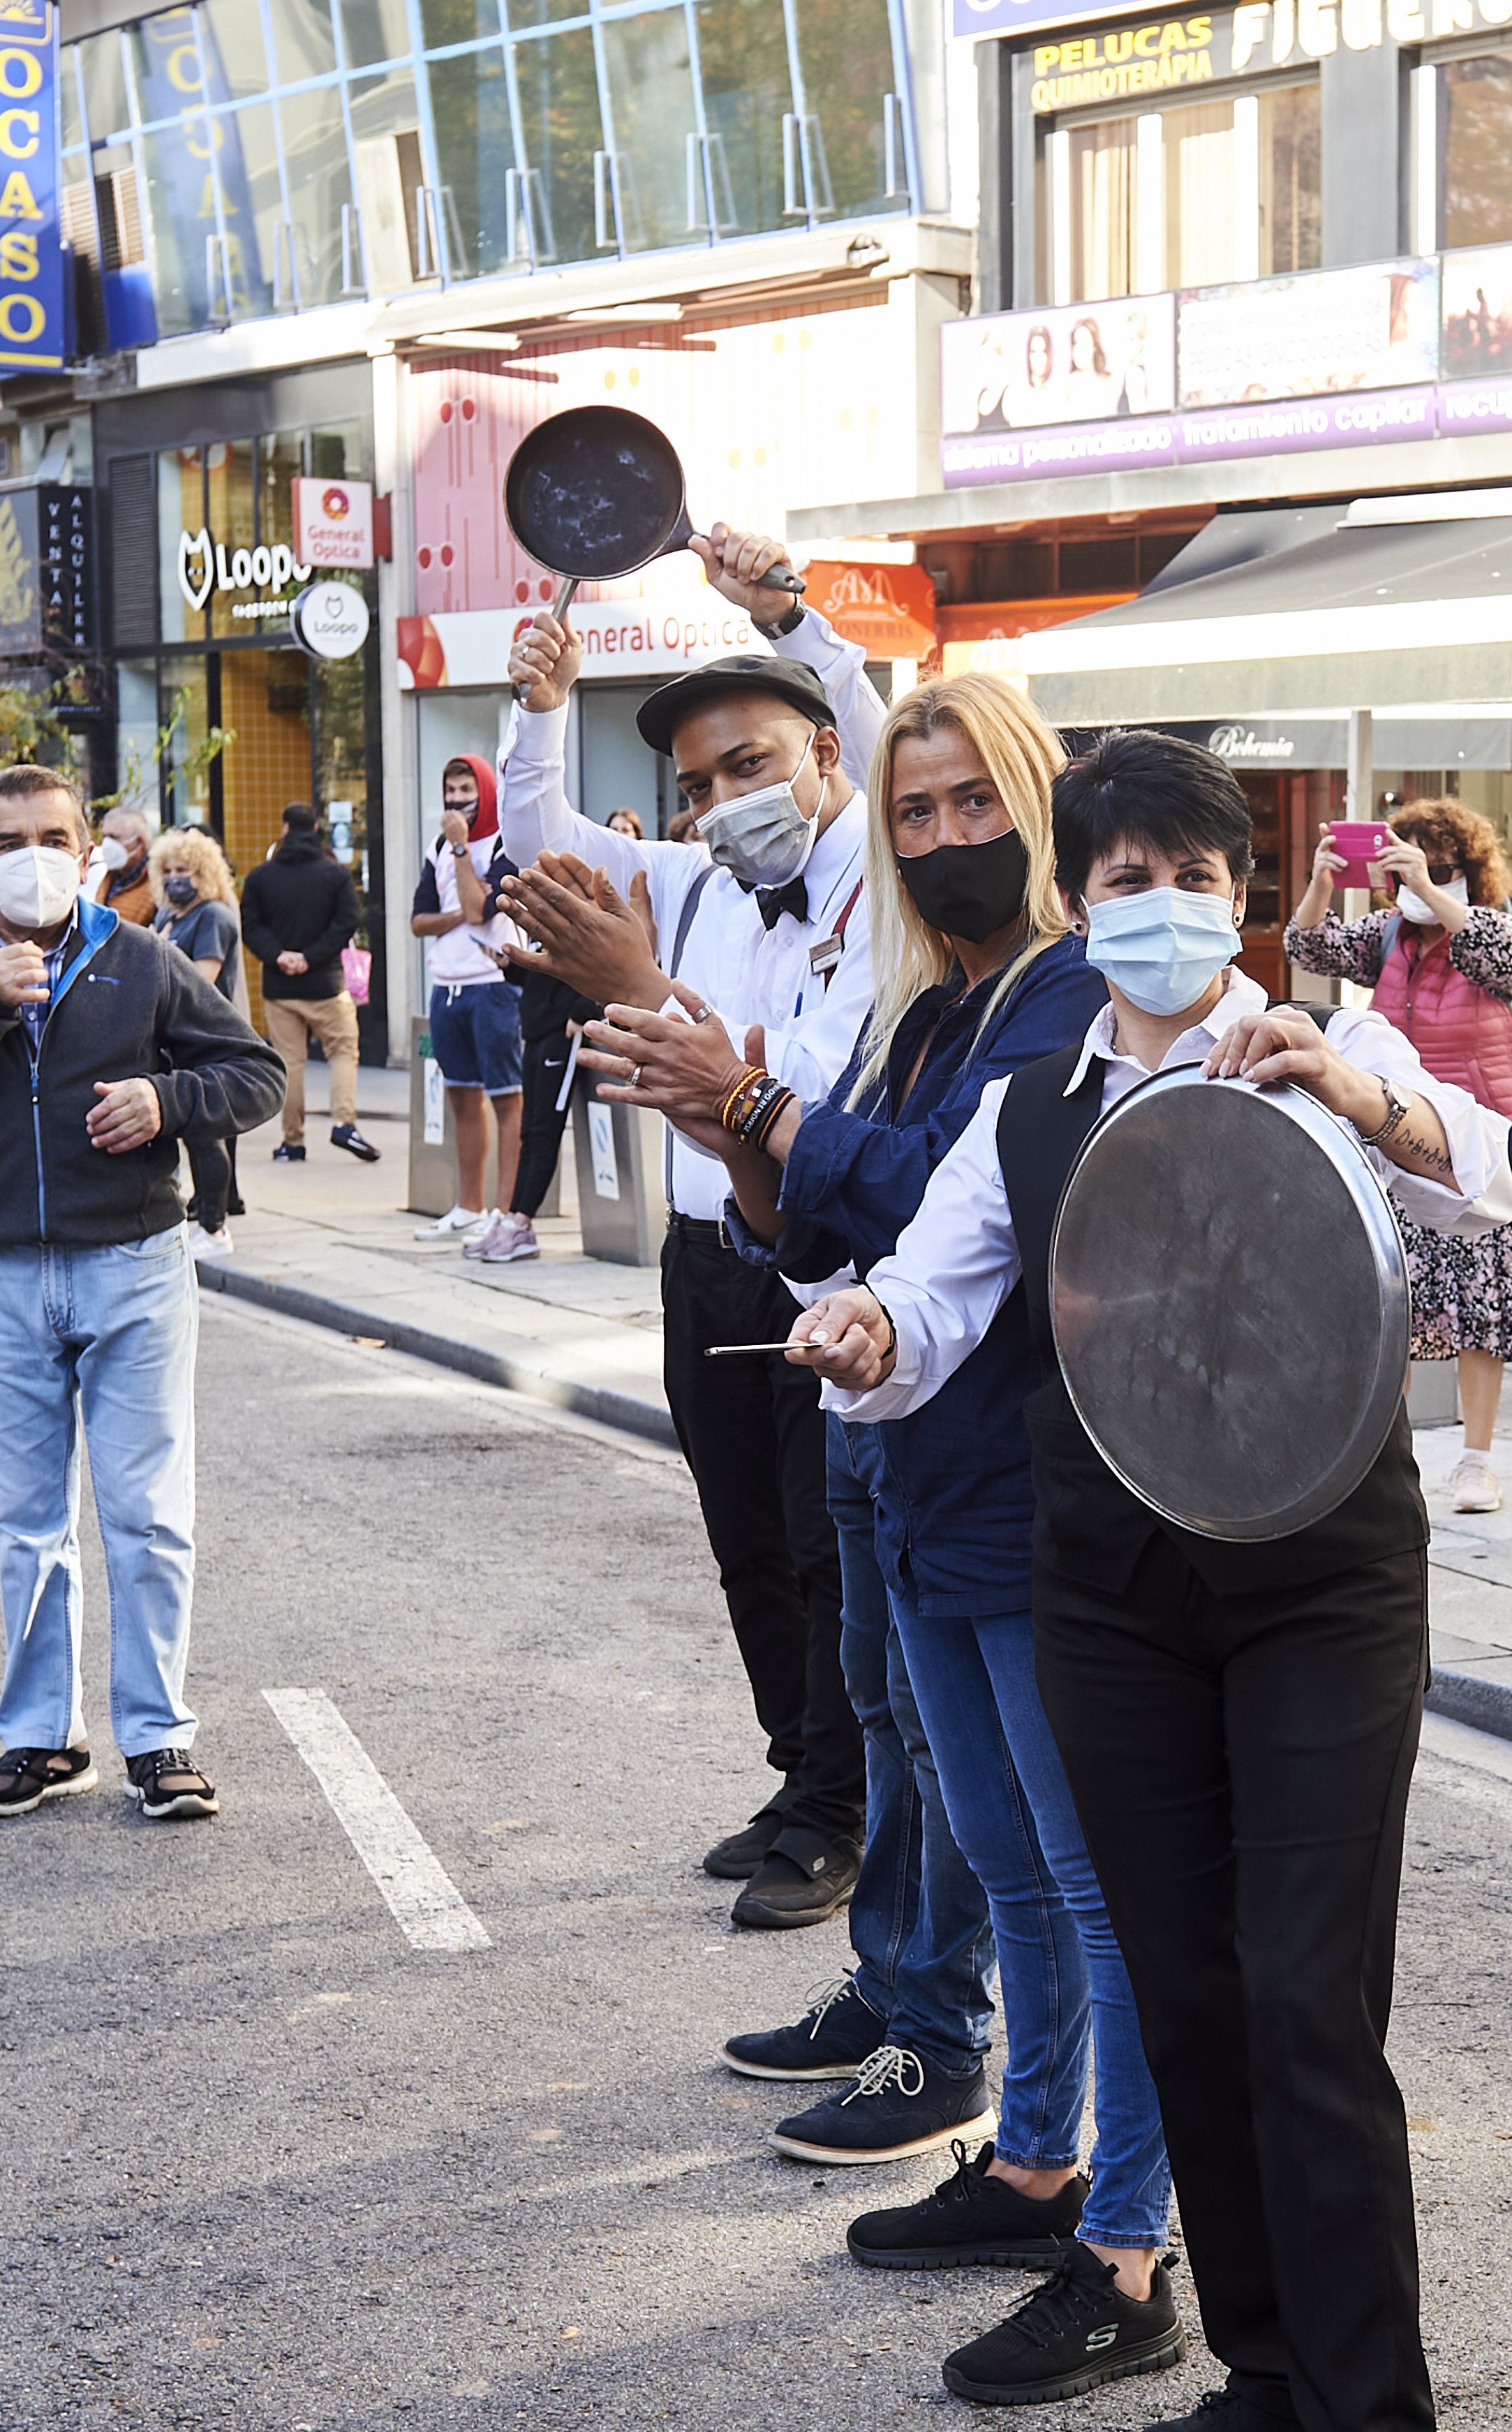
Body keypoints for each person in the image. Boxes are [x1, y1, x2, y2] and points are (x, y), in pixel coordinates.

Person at [784, 731, 1512, 2432]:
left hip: (1318, 1576)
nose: (1166, 908)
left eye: (1197, 879)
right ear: (1080, 899)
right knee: (1184, 1989)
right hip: (1110, 1588)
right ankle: (1266, 2372)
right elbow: (931, 1296)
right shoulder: (1028, 1107)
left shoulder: (1339, 1042)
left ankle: (1365, 2397)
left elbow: (1488, 1189)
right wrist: (864, 1330)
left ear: (1243, 895)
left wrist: (1361, 1091)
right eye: (1130, 881)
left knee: (1304, 1999)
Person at [587, 678, 1175, 2403]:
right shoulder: (929, 1007)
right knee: (1006, 1865)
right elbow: (824, 1219)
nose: (942, 839)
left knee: (1086, 1880)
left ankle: (1127, 2237)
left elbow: (927, 1198)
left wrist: (759, 1112)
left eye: (968, 802)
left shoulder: (1075, 995)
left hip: (1035, 1494)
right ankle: (1036, 2158)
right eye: (913, 816)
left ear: (1035, 803)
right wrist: (732, 1116)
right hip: (914, 1482)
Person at [494, 528, 886, 1931]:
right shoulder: (702, 876)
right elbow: (543, 851)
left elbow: (793, 1086)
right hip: (704, 1255)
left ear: (829, 751)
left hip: (826, 1259)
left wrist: (788, 612)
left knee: (824, 1543)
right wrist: (537, 710)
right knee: (743, 1540)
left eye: (753, 764)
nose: (725, 800)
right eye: (699, 783)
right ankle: (799, 1775)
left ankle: (846, 1810)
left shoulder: (879, 873)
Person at [0, 764, 285, 1820]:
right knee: (29, 1526)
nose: (32, 857)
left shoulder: (137, 956)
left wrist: (165, 1098)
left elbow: (258, 1075)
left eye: (52, 835)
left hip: (133, 1264)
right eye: (8, 842)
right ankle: (43, 1738)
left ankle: (157, 1738)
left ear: (89, 845)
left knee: (147, 1515)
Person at [1284, 797, 1512, 1515]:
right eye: (1410, 863)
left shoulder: (1490, 931)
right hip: (1395, 1147)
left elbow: (1506, 960)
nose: (1425, 879)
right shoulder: (1387, 936)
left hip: (1479, 1149)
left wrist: (1427, 888)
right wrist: (1319, 881)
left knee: (1479, 1316)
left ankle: (1476, 1462)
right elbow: (1306, 948)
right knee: (1390, 1306)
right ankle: (1387, 1452)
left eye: (1444, 866)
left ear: (1469, 871)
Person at [409, 752, 523, 1242]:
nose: (457, 802)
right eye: (450, 792)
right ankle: (469, 1206)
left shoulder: (505, 844)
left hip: (492, 988)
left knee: (505, 1099)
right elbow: (419, 922)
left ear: (486, 791)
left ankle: (506, 1211)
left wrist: (461, 851)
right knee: (460, 1096)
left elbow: (480, 911)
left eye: (466, 791)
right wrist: (457, 909)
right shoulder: (438, 846)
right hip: (447, 986)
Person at [239, 801, 378, 1165]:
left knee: (290, 1061)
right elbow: (348, 922)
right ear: (316, 829)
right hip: (327, 985)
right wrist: (312, 956)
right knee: (343, 1051)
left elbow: (251, 927)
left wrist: (279, 955)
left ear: (285, 830)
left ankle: (292, 1142)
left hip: (280, 988)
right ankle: (344, 1122)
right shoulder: (335, 875)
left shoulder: (260, 878)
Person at [151, 829, 251, 1256]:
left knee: (206, 1137)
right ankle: (198, 1215)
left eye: (185, 871)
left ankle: (214, 1227)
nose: (176, 879)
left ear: (204, 872)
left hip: (205, 1041)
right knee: (190, 1136)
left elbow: (202, 980)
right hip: (174, 1041)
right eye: (169, 871)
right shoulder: (166, 917)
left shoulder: (214, 916)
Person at [466, 939, 597, 1265]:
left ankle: (522, 1222)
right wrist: (510, 967)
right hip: (536, 1034)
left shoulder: (578, 910)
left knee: (543, 1134)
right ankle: (513, 1217)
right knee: (529, 1132)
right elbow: (539, 978)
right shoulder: (542, 925)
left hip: (563, 1035)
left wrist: (583, 1011)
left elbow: (600, 968)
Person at [85, 807, 159, 926]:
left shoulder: (157, 883)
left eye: (114, 837)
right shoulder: (109, 877)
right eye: (105, 836)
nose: (107, 844)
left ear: (140, 843)